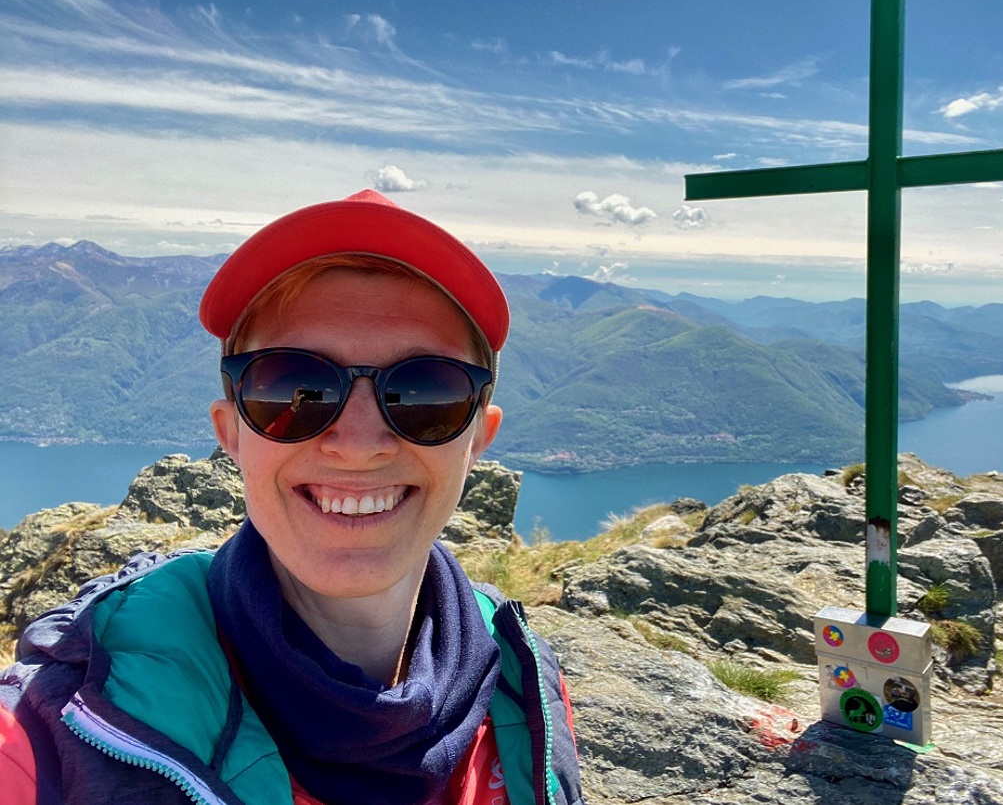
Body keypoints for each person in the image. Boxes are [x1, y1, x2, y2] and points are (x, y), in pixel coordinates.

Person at [0, 190, 584, 805]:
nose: (358, 444)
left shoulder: (527, 683)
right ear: (229, 432)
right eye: (293, 387)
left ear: (477, 439)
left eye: (426, 391)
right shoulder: (62, 721)